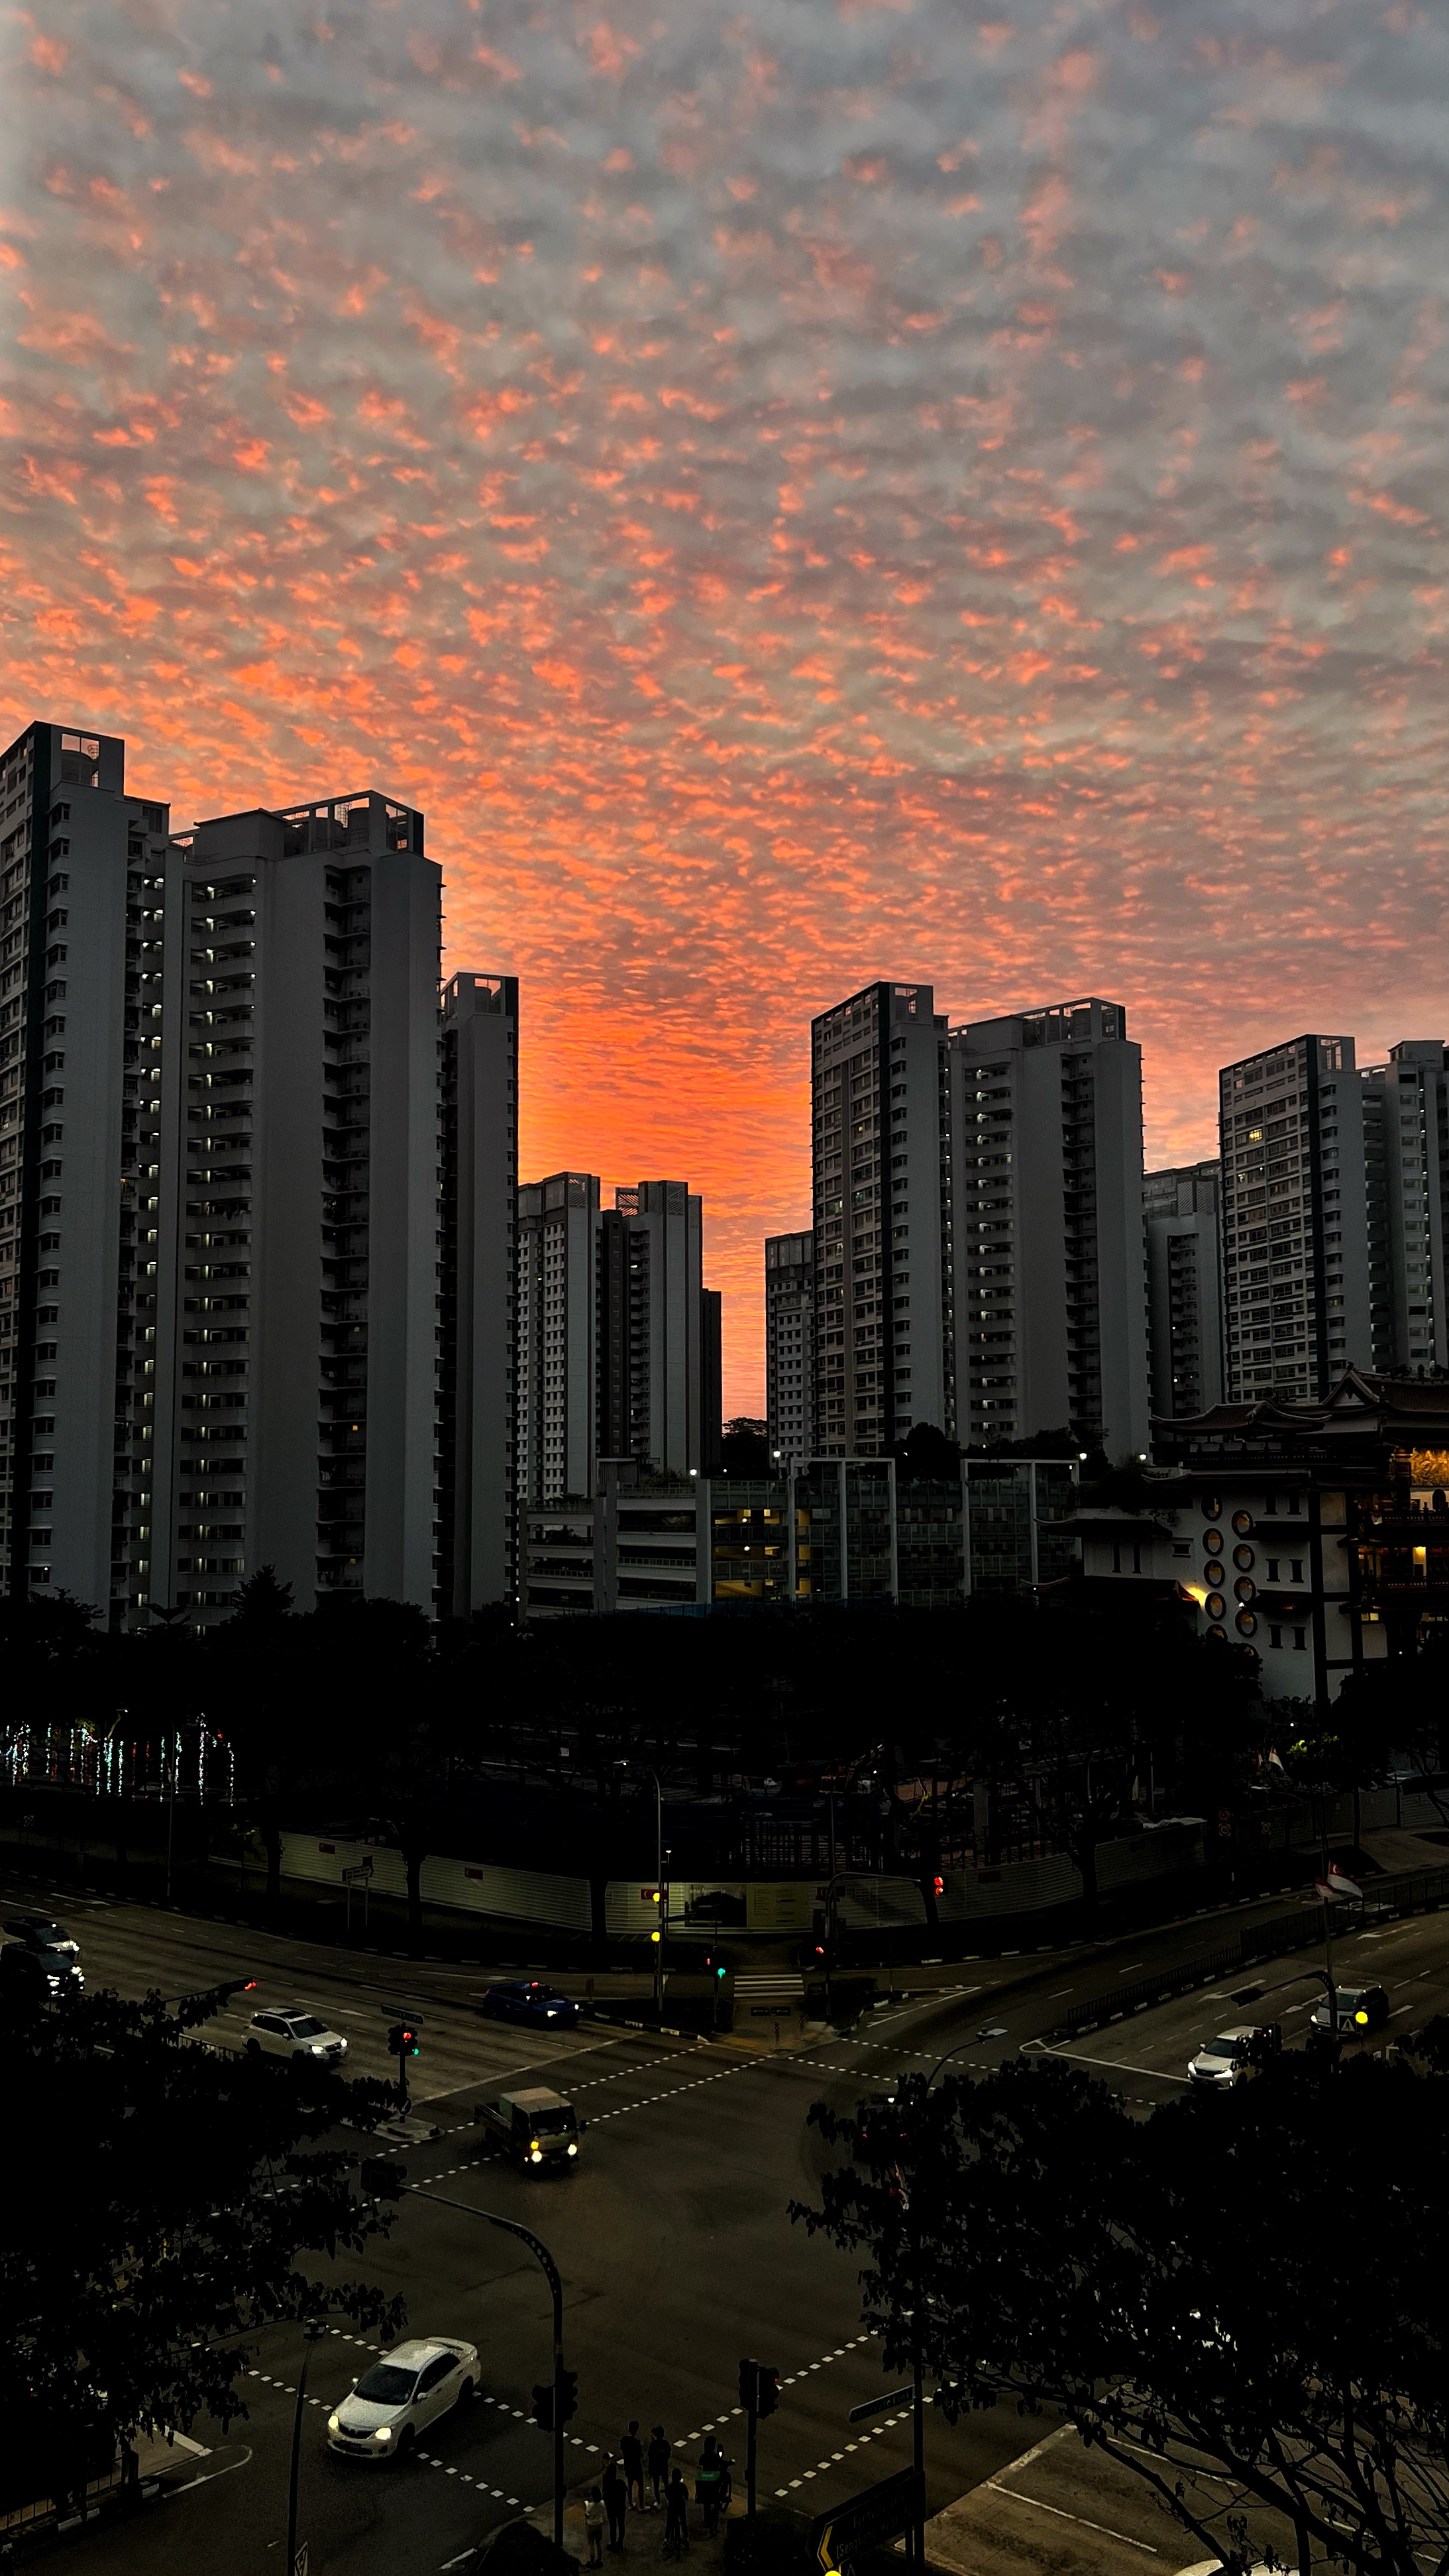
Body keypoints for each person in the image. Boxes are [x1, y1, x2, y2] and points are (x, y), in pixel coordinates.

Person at [695, 2440, 723, 2538]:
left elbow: (701, 2463)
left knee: (706, 2503)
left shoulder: (703, 2457)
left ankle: (707, 2520)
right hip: (714, 2479)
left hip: (705, 2480)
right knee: (717, 2492)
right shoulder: (715, 2457)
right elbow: (721, 2464)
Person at [602, 2452, 627, 2552]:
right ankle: (620, 2543)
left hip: (612, 2508)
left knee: (613, 2526)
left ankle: (613, 2544)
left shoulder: (608, 2488)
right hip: (621, 2507)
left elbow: (605, 2496)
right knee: (621, 2525)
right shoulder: (620, 2484)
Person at [664, 2467, 690, 2559]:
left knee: (669, 2522)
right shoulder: (682, 2486)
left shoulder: (670, 2486)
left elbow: (667, 2495)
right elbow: (686, 2495)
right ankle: (686, 2537)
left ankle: (667, 2538)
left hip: (672, 2506)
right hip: (680, 2505)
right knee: (683, 2521)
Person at [621, 2420, 645, 2512]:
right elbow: (640, 2454)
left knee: (630, 2485)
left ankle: (630, 2504)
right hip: (636, 2466)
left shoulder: (623, 2440)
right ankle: (642, 2506)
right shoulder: (636, 2442)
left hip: (628, 2466)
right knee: (640, 2485)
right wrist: (641, 2446)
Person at [646, 2426, 670, 2511]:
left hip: (655, 2468)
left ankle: (659, 2502)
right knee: (666, 2483)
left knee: (656, 2485)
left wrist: (650, 2470)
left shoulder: (653, 2445)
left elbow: (650, 2458)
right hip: (663, 2467)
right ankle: (669, 2500)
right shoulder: (666, 2443)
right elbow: (668, 2455)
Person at [586, 2488, 606, 2568]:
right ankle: (599, 2560)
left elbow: (587, 2515)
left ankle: (592, 2561)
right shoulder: (602, 2503)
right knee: (599, 2543)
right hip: (599, 2525)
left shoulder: (590, 2506)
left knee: (591, 2544)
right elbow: (603, 2512)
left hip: (591, 2525)